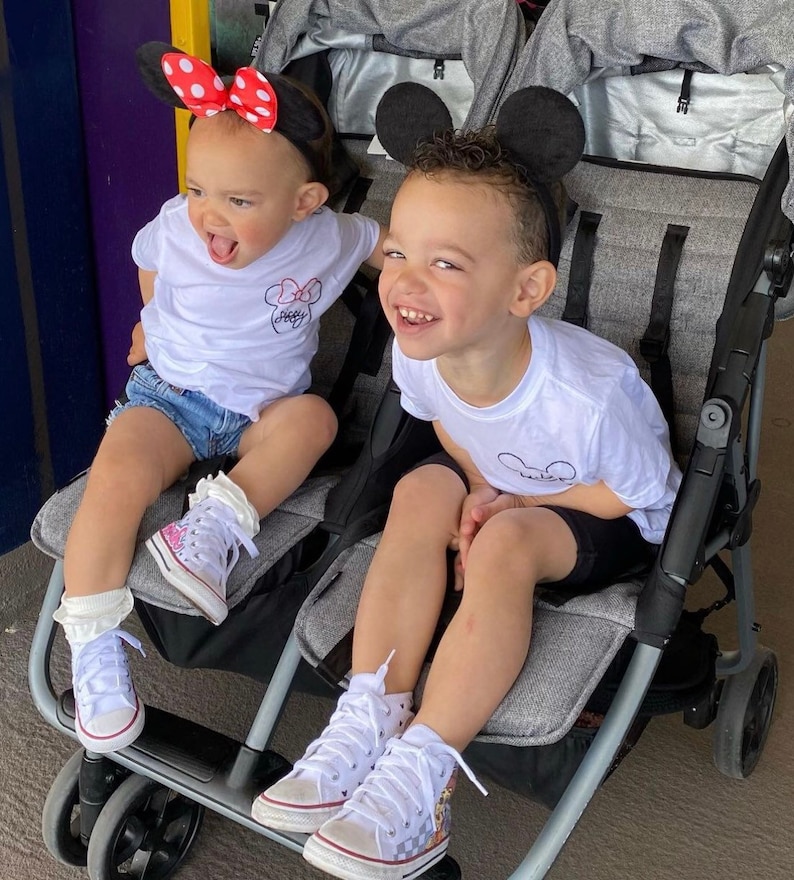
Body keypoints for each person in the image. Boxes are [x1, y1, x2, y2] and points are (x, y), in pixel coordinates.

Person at [251, 86, 682, 880]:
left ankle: (424, 769)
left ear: (525, 291)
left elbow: (638, 493)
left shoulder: (588, 398)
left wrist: (510, 501)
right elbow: (446, 425)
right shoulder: (423, 353)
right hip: (505, 471)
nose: (406, 282)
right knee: (420, 487)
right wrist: (478, 480)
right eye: (399, 253)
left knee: (506, 544)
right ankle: (368, 714)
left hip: (598, 506)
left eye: (445, 263)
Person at [53, 48, 385, 755]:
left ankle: (211, 526)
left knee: (316, 420)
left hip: (262, 414)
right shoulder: (178, 224)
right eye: (198, 188)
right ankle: (95, 644)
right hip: (170, 397)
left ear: (304, 203)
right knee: (115, 478)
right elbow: (148, 256)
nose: (209, 215)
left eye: (238, 201)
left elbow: (389, 245)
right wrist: (152, 319)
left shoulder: (329, 237)